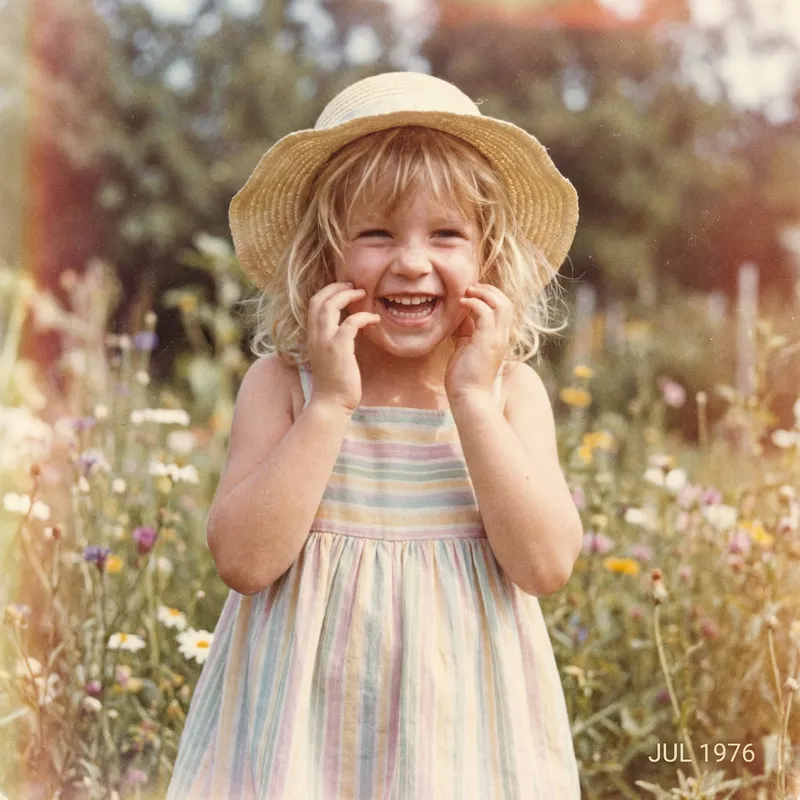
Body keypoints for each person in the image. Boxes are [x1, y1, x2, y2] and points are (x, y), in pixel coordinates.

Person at [166, 71, 584, 799]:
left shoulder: (510, 394)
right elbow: (243, 561)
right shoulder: (284, 387)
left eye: (447, 234)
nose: (412, 260)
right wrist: (331, 402)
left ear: (488, 258)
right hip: (300, 744)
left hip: (461, 743)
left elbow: (544, 566)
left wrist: (471, 402)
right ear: (325, 256)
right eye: (376, 233)